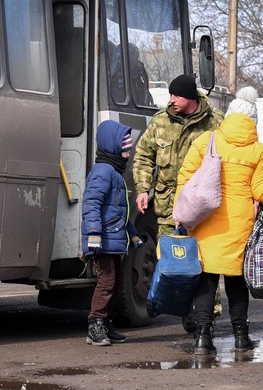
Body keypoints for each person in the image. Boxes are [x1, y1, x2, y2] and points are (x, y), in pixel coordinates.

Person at [175, 86, 263, 355]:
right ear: (252, 122)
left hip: (205, 219)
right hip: (240, 223)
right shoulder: (257, 149)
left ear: (228, 116)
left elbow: (184, 178)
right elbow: (261, 193)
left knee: (206, 279)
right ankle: (241, 337)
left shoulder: (207, 140)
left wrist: (185, 210)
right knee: (236, 282)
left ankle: (203, 339)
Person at [133, 74, 224, 321]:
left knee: (203, 261)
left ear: (190, 97)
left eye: (176, 95)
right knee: (171, 260)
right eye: (170, 94)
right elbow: (143, 156)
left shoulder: (215, 122)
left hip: (202, 209)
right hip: (168, 206)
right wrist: (143, 188)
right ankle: (173, 306)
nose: (171, 99)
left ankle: (205, 317)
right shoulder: (160, 121)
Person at [81, 120, 140, 346]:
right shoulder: (103, 172)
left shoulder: (114, 173)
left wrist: (132, 234)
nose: (127, 154)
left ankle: (105, 323)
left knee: (115, 283)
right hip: (102, 239)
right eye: (124, 149)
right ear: (112, 147)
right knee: (106, 282)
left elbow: (119, 212)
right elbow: (91, 203)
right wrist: (94, 232)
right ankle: (95, 325)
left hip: (113, 239)